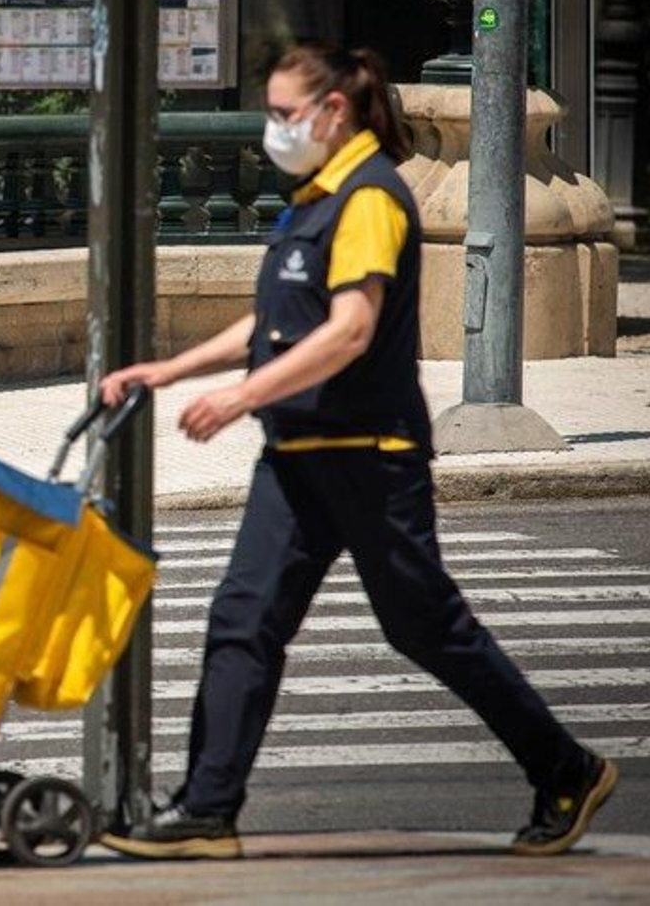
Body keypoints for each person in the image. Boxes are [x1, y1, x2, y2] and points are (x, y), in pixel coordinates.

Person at [98, 44, 616, 860]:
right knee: (244, 616)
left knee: (425, 627)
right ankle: (206, 808)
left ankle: (566, 768)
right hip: (301, 452)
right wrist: (169, 369)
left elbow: (350, 330)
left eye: (281, 112)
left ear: (333, 112)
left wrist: (239, 397)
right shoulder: (316, 197)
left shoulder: (370, 199)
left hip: (370, 455)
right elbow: (277, 321)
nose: (273, 129)